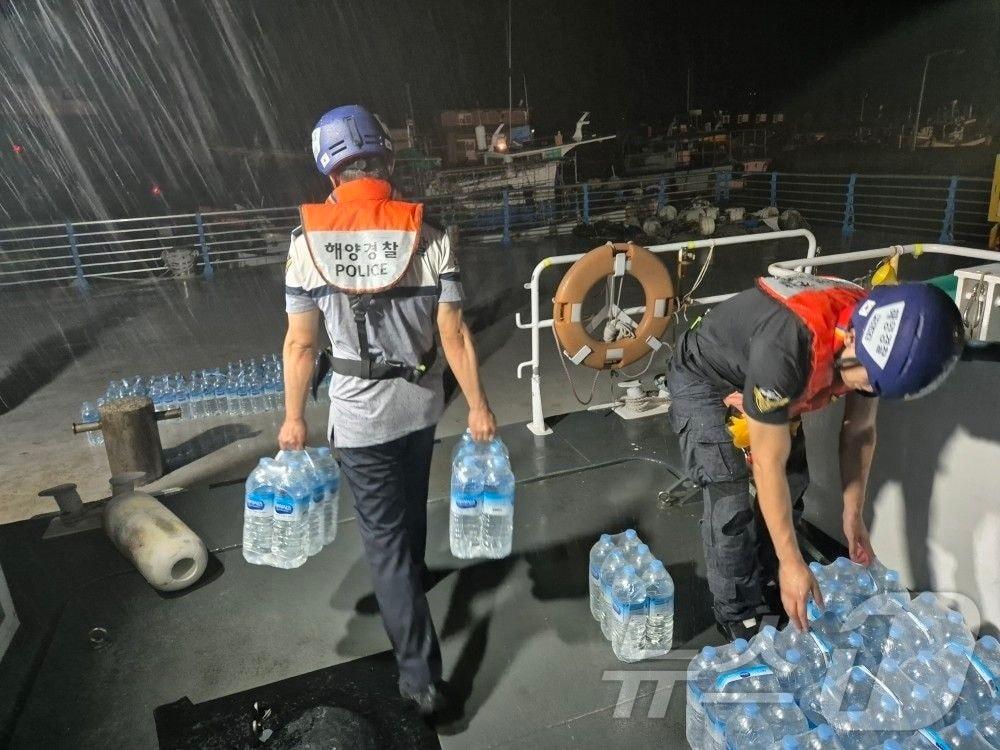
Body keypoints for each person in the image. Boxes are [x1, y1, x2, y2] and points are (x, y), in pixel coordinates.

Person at [279, 104, 496, 715]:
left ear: (331, 173)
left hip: (358, 419)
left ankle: (421, 680)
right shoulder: (431, 236)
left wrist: (294, 417)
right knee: (413, 500)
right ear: (388, 162)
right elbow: (453, 334)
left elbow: (301, 345)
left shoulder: (307, 244)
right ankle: (417, 577)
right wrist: (478, 406)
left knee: (384, 544)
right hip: (421, 407)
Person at [665, 274, 964, 640]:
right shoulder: (787, 348)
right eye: (866, 379)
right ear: (851, 338)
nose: (865, 389)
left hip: (762, 371)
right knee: (730, 498)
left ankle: (772, 576)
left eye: (875, 386)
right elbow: (767, 463)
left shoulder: (876, 334)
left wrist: (852, 514)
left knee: (793, 484)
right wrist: (793, 561)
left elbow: (859, 431)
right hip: (705, 375)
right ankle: (738, 610)